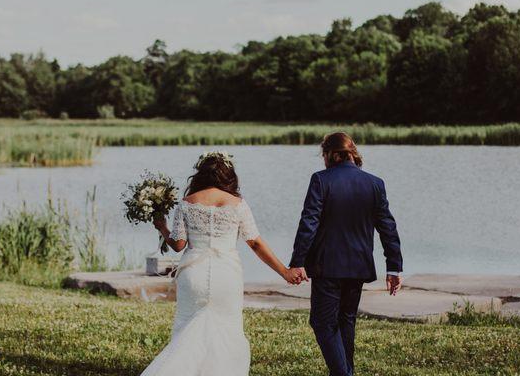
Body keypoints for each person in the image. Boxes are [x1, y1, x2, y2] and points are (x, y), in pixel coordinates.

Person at [141, 151, 298, 376]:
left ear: (200, 175)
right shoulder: (238, 204)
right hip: (227, 274)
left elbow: (178, 245)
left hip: (193, 273)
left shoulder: (186, 204)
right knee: (227, 330)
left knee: (188, 329)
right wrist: (284, 271)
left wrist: (162, 227)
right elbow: (255, 243)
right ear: (228, 175)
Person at [289, 132, 404, 376]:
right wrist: (394, 267)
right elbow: (388, 228)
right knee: (345, 321)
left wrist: (298, 261)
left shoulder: (321, 180)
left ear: (331, 154)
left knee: (322, 322)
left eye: (324, 155)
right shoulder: (375, 183)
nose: (324, 160)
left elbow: (309, 222)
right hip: (358, 266)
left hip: (327, 266)